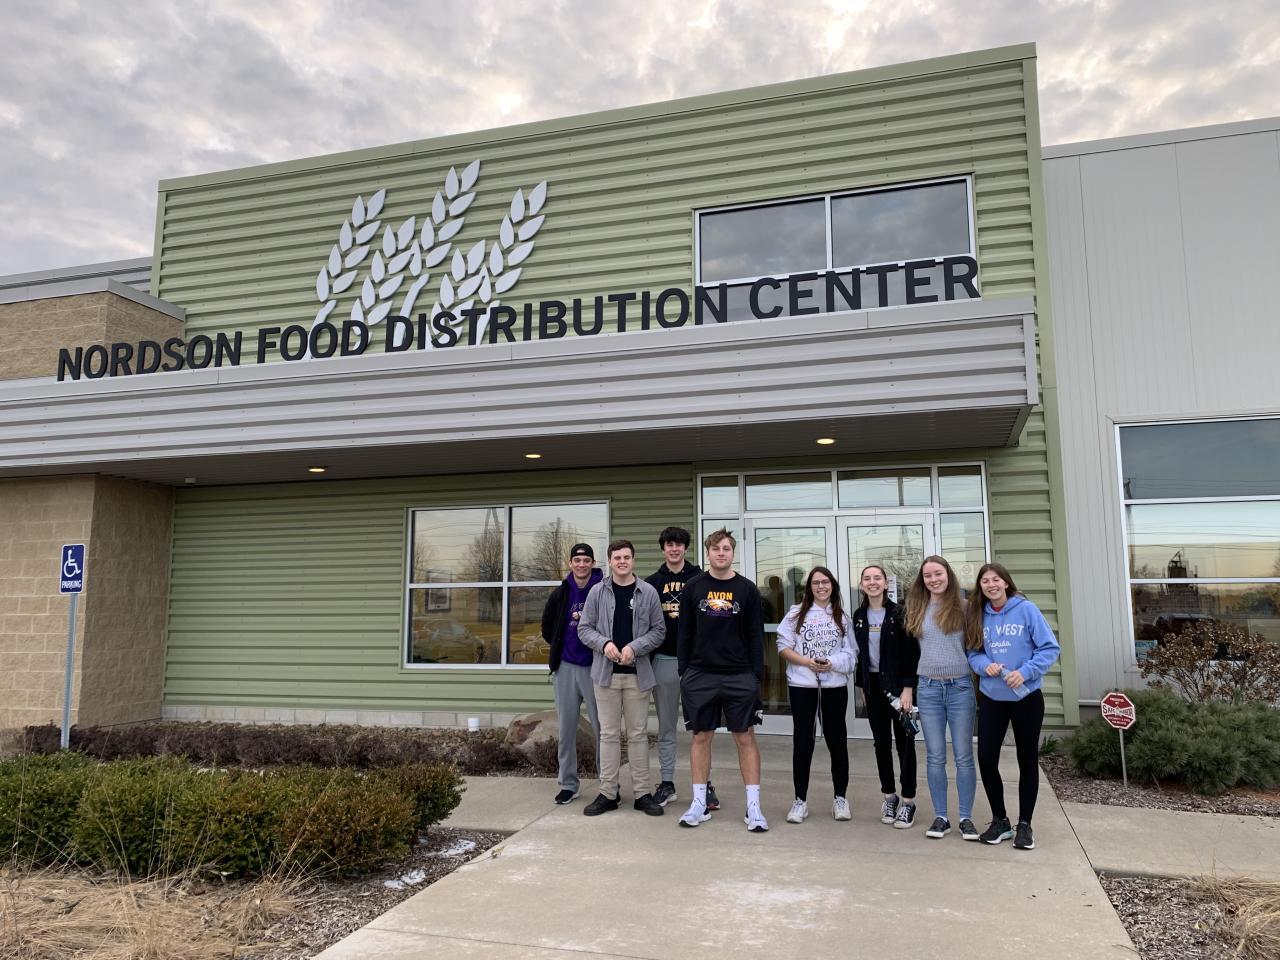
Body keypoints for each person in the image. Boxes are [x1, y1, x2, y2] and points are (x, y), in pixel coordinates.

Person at [676, 527, 768, 832]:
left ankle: (753, 807)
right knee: (701, 737)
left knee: (745, 737)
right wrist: (684, 672)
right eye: (715, 549)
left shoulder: (747, 589)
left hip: (739, 675)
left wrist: (755, 675)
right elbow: (684, 633)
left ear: (732, 553)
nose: (721, 553)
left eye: (726, 548)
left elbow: (755, 635)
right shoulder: (693, 587)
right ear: (708, 553)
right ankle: (699, 804)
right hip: (700, 674)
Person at [965, 561, 1061, 850]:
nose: (991, 585)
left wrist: (1027, 671)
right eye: (985, 581)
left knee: (1027, 760)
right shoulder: (977, 613)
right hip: (992, 697)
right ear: (980, 587)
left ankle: (1025, 824)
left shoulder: (1026, 609)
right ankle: (1000, 821)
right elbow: (973, 652)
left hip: (1026, 697)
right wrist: (984, 665)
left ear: (1006, 582)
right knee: (986, 757)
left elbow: (1049, 648)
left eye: (996, 579)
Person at [577, 539, 666, 816]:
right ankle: (608, 793)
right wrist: (604, 644)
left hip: (638, 675)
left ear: (633, 560)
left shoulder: (648, 592)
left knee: (638, 734)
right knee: (609, 734)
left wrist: (634, 647)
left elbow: (659, 631)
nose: (622, 561)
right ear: (610, 561)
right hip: (606, 676)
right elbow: (584, 628)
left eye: (627, 557)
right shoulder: (597, 592)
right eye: (617, 557)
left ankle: (642, 794)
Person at [644, 526, 720, 811]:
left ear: (686, 548)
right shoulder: (651, 583)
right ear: (663, 548)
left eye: (679, 545)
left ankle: (705, 785)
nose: (674, 549)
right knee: (666, 728)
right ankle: (667, 783)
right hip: (664, 661)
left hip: (697, 665)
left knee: (702, 730)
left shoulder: (702, 579)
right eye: (669, 544)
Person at [775, 565, 857, 823]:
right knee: (803, 743)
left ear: (832, 585)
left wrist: (831, 663)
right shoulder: (795, 614)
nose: (821, 587)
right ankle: (800, 800)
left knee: (837, 742)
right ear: (809, 587)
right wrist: (806, 662)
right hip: (803, 688)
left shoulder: (842, 617)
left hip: (834, 688)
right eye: (816, 583)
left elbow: (852, 654)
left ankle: (840, 798)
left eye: (825, 582)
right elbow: (783, 647)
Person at [904, 555, 978, 841]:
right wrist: (907, 687)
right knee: (935, 756)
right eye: (928, 576)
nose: (934, 579)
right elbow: (910, 653)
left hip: (960, 688)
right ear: (922, 580)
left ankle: (966, 818)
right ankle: (941, 817)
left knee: (963, 756)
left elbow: (975, 646)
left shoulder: (965, 607)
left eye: (938, 574)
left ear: (948, 575)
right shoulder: (916, 608)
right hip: (929, 689)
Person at [852, 564, 920, 828]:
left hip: (899, 688)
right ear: (862, 585)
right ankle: (889, 796)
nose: (872, 582)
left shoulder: (900, 613)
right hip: (873, 688)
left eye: (877, 578)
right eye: (867, 578)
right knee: (881, 744)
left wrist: (908, 688)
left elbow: (911, 653)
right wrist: (863, 688)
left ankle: (908, 801)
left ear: (885, 583)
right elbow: (861, 656)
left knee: (905, 744)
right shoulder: (859, 615)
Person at [541, 542, 603, 805]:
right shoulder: (561, 593)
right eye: (577, 560)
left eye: (586, 560)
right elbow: (547, 628)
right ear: (570, 563)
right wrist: (561, 648)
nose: (581, 565)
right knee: (566, 730)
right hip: (566, 667)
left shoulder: (603, 589)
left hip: (596, 667)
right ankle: (568, 784)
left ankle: (607, 784)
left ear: (592, 563)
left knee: (603, 729)